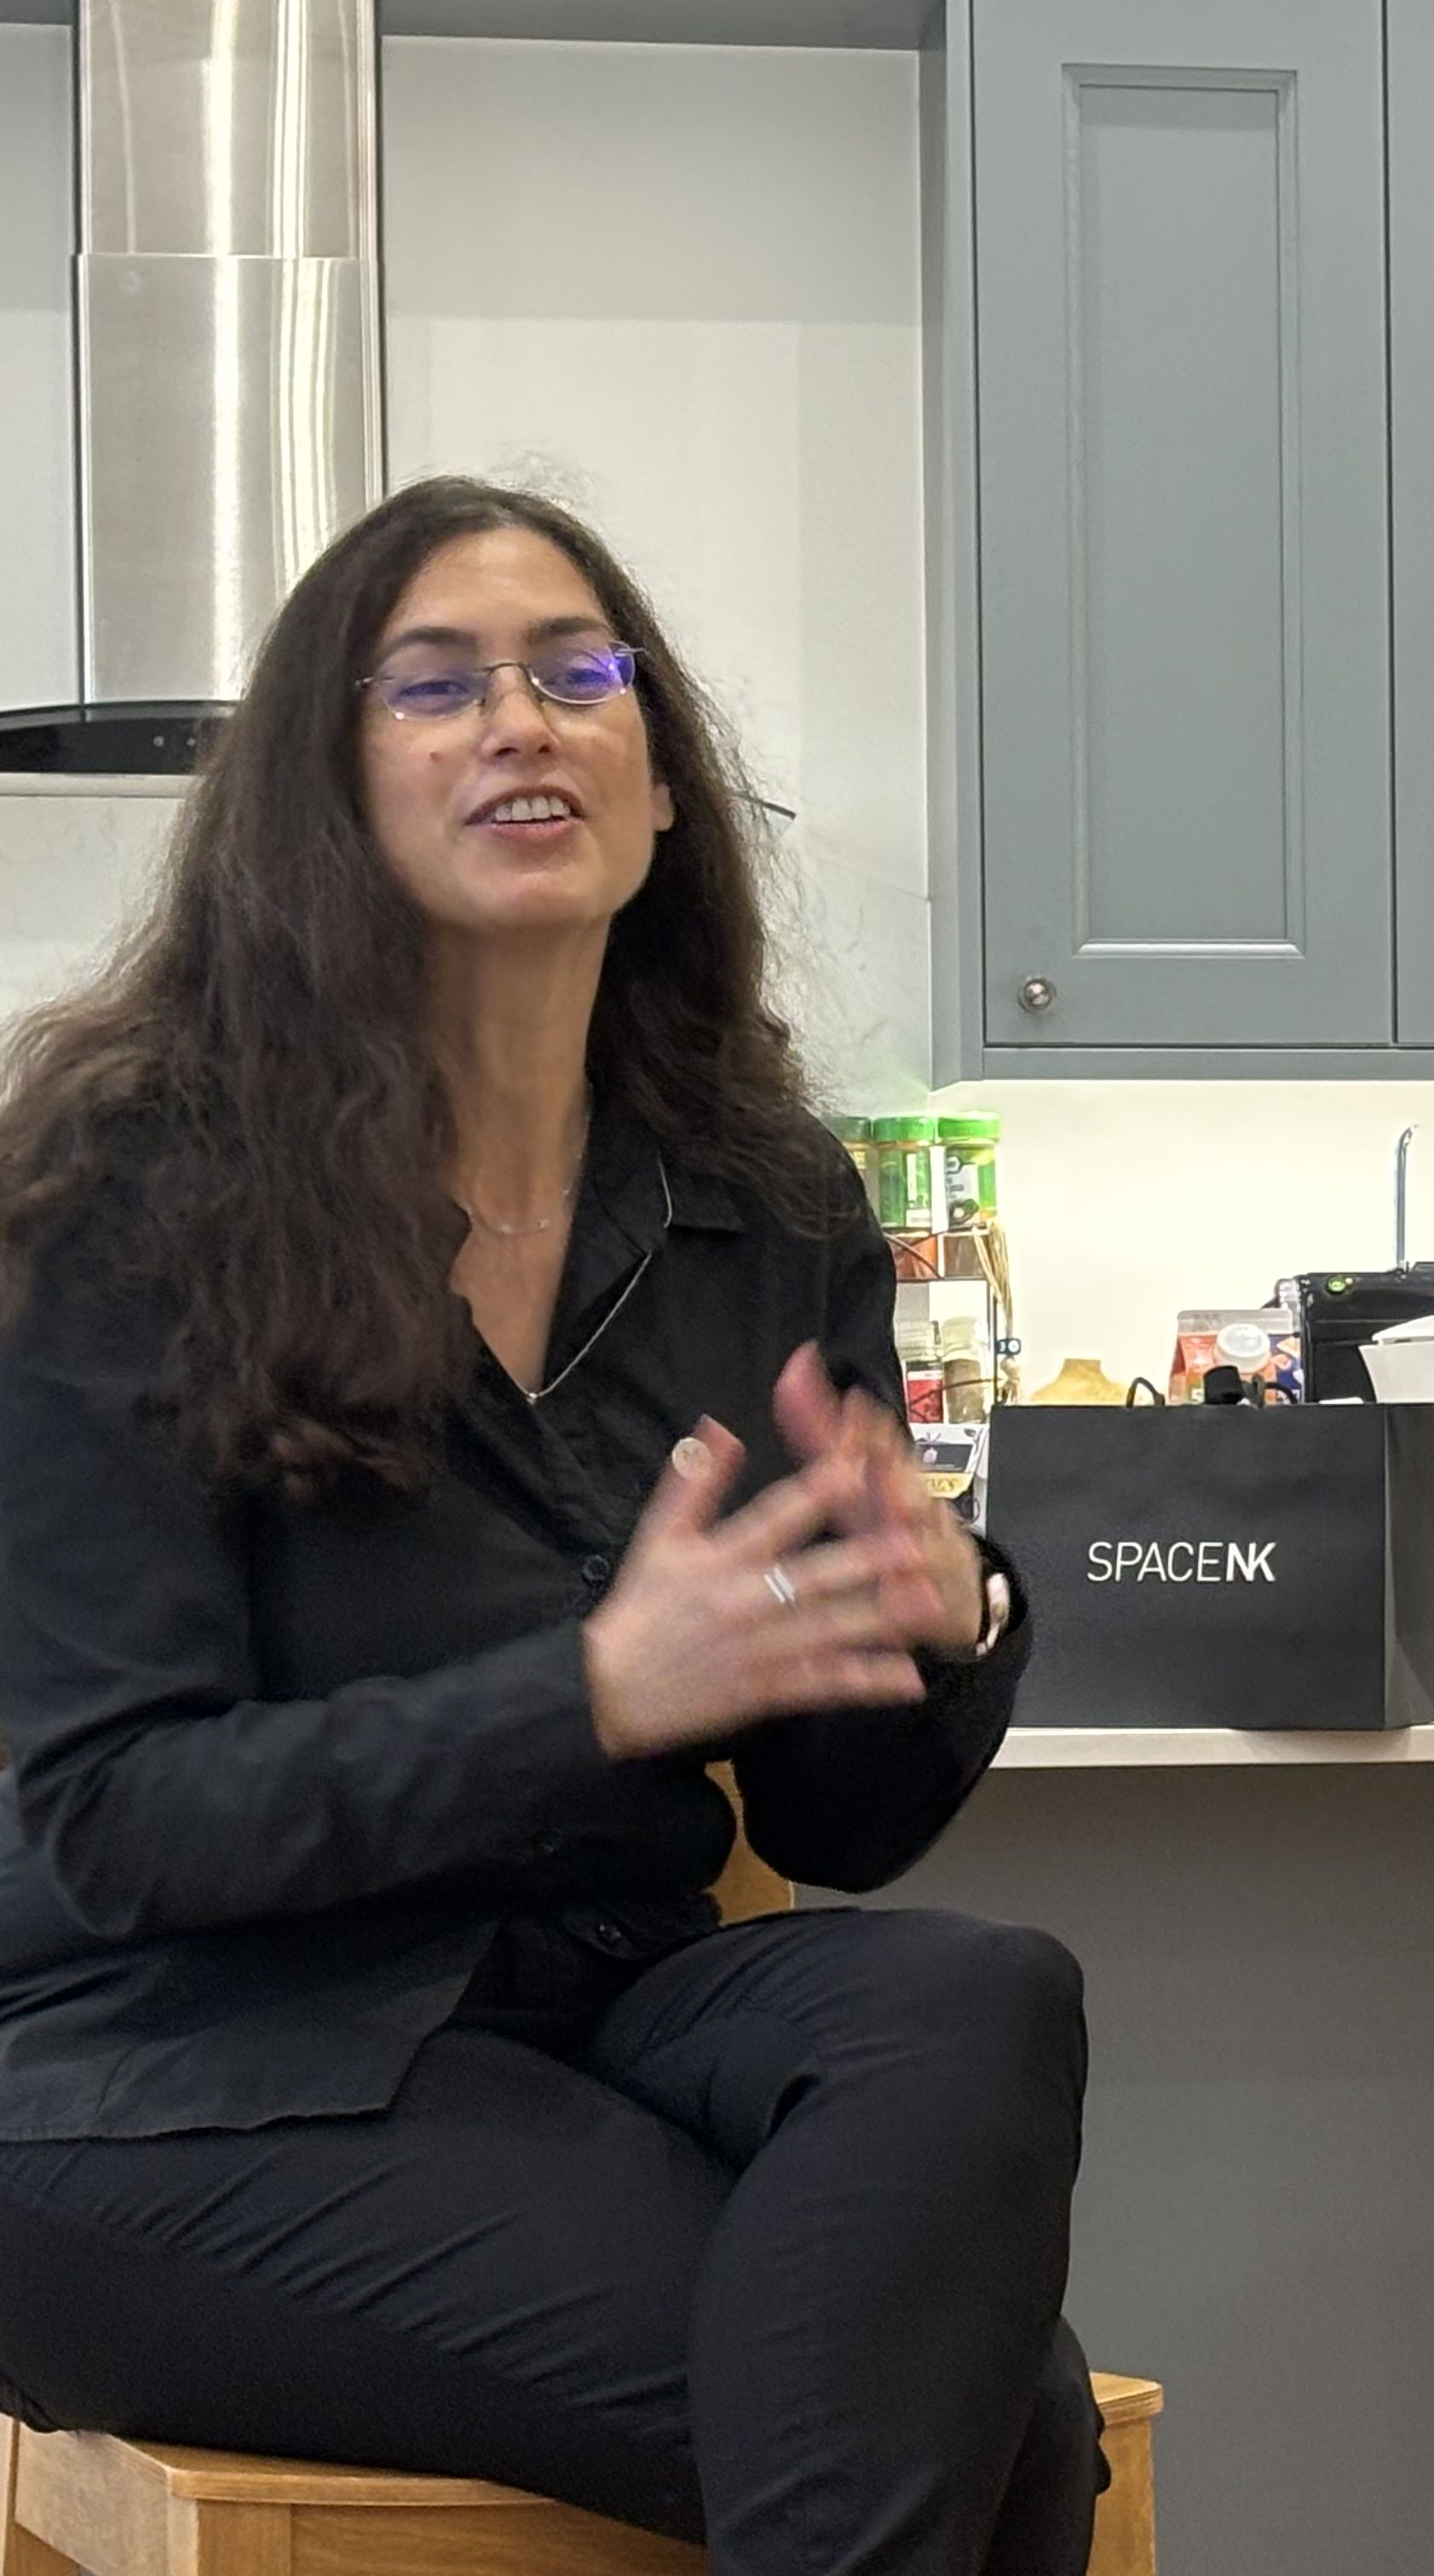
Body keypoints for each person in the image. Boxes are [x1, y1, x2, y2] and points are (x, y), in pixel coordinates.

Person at [0, 478, 1097, 2576]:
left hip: (585, 2019)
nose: (523, 719)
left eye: (579, 673)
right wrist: (594, 1693)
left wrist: (944, 1614)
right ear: (324, 795)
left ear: (659, 782)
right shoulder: (124, 1194)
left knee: (974, 1998)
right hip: (166, 2066)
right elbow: (123, 1824)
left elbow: (840, 1821)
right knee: (997, 2410)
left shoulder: (760, 1201)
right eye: (436, 687)